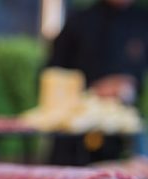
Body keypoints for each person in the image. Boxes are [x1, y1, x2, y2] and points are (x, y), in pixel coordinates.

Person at [46, 0, 148, 164]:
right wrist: (92, 89)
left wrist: (129, 86)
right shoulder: (79, 21)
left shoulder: (142, 21)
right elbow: (53, 71)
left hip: (126, 134)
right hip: (77, 136)